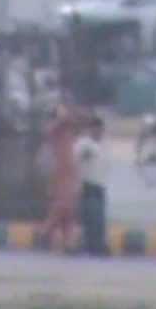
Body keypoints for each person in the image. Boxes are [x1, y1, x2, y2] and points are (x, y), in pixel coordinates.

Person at [41, 103, 86, 251]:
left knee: (70, 208)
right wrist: (64, 116)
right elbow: (60, 123)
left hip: (70, 171)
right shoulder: (54, 130)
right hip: (61, 171)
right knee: (63, 204)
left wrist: (73, 113)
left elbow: (78, 120)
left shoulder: (69, 130)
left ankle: (68, 242)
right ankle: (46, 232)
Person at [75, 115, 108, 257]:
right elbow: (77, 160)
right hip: (89, 187)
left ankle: (97, 246)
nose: (99, 132)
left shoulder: (102, 145)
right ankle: (91, 246)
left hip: (100, 187)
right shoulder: (84, 144)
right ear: (91, 129)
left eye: (101, 130)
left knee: (99, 220)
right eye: (96, 129)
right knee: (92, 219)